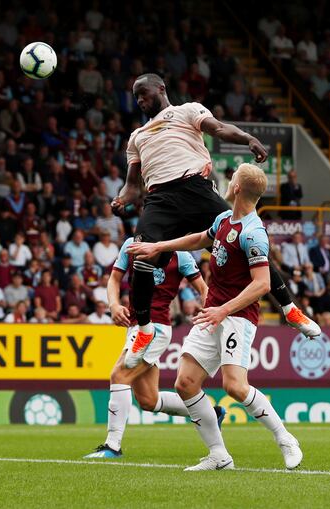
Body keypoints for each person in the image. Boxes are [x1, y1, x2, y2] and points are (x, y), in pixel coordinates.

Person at [111, 74, 319, 363]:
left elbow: (219, 129)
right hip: (159, 200)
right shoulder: (137, 137)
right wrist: (122, 198)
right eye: (136, 98)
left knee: (246, 246)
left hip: (196, 190)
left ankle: (290, 309)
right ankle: (144, 329)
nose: (140, 101)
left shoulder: (186, 111)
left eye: (144, 94)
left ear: (161, 89)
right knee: (141, 255)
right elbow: (133, 185)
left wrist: (248, 138)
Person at [127, 163, 302, 471]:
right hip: (214, 312)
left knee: (235, 386)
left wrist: (223, 309)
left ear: (236, 188)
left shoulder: (253, 232)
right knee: (185, 382)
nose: (228, 180)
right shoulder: (223, 218)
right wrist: (160, 245)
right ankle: (219, 455)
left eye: (232, 177)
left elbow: (262, 284)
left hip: (236, 315)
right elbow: (197, 240)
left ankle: (286, 438)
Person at [84, 236, 217, 460]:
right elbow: (114, 279)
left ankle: (112, 445)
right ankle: (210, 414)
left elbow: (204, 289)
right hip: (135, 326)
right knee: (148, 400)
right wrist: (114, 304)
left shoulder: (180, 252)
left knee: (119, 375)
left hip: (156, 328)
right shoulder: (132, 244)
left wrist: (211, 316)